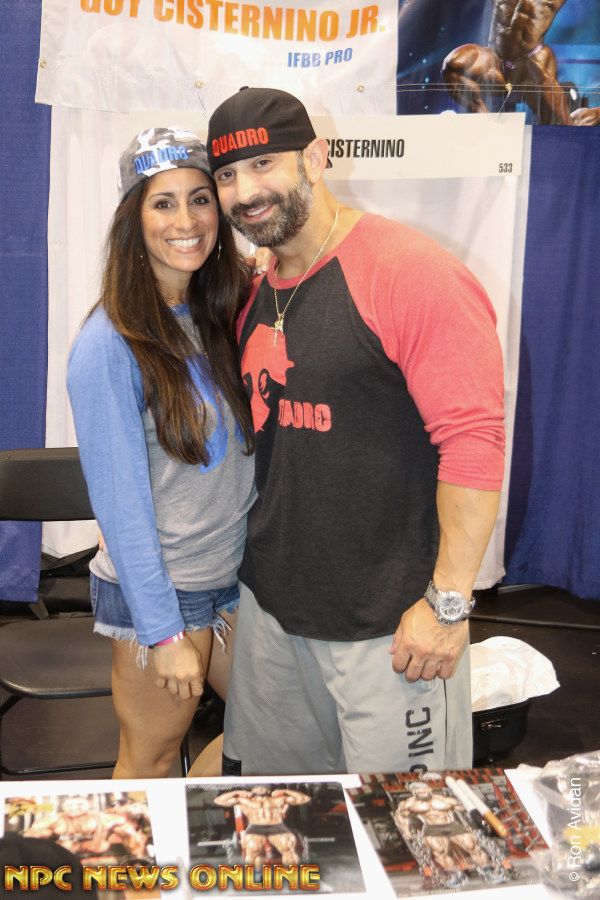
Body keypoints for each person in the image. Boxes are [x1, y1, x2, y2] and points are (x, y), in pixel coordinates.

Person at [206, 87, 505, 776]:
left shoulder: (411, 273)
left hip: (389, 627)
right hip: (273, 614)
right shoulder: (253, 288)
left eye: (263, 165)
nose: (245, 192)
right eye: (226, 175)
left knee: (406, 828)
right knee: (278, 816)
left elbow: (473, 444)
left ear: (316, 158)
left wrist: (447, 604)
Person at [67, 127, 255, 778]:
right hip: (165, 595)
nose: (187, 220)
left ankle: (197, 832)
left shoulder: (218, 311)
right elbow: (119, 510)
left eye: (200, 199)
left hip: (232, 581)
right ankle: (143, 850)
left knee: (274, 735)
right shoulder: (109, 344)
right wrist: (164, 632)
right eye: (164, 203)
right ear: (134, 219)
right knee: (148, 766)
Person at [442, 0, 599, 126]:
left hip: (530, 65)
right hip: (495, 57)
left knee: (564, 127)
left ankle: (591, 114)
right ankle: (485, 121)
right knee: (453, 65)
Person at [214, 786, 310, 867]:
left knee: (289, 851)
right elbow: (219, 801)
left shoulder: (279, 799)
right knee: (252, 853)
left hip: (276, 826)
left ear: (269, 790)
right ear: (252, 790)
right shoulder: (244, 801)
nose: (260, 788)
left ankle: (291, 876)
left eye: (263, 786)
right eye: (258, 786)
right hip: (256, 827)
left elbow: (305, 799)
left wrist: (285, 791)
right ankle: (256, 877)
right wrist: (237, 792)